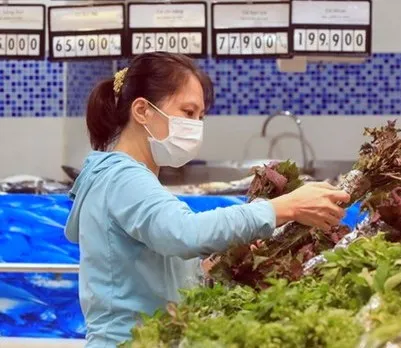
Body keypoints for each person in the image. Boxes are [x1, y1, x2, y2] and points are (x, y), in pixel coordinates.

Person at [65, 52, 350, 347]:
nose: (196, 125)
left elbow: (154, 264)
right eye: (188, 112)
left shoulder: (129, 178)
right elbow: (184, 233)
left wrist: (214, 263)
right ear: (142, 111)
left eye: (201, 117)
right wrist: (284, 207)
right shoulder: (122, 177)